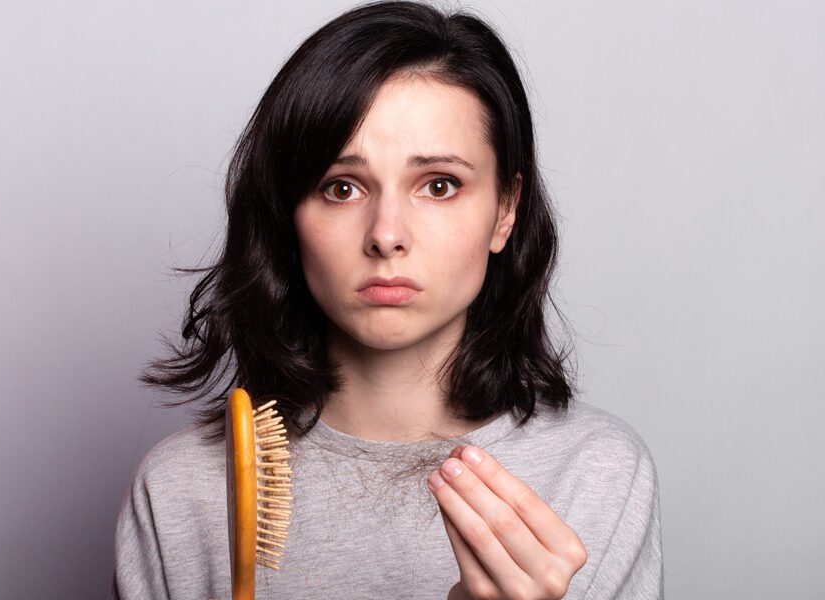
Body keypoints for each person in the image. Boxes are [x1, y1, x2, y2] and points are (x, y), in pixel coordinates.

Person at [110, 1, 663, 598]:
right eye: (341, 188)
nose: (386, 234)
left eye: (439, 185)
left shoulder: (596, 475)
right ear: (287, 215)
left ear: (506, 210)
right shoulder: (180, 489)